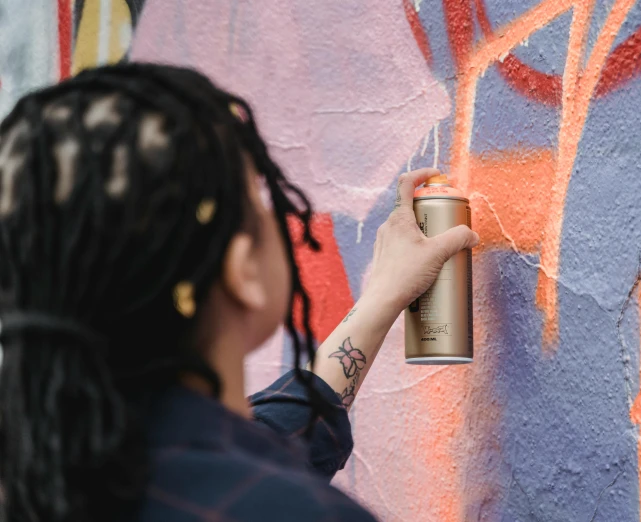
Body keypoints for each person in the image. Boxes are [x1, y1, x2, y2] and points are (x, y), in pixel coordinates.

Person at [0, 63, 479, 521]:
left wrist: (381, 298)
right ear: (241, 268)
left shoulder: (53, 470)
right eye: (259, 194)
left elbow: (271, 432)